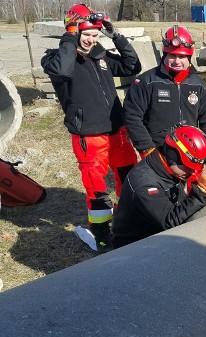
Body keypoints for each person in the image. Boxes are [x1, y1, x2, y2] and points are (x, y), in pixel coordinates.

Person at [41, 3, 141, 252]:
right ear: (73, 30)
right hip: (89, 135)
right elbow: (63, 71)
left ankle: (129, 219)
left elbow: (132, 66)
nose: (91, 39)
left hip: (117, 131)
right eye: (86, 34)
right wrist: (70, 37)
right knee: (97, 188)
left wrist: (115, 36)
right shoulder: (56, 59)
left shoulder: (100, 55)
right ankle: (102, 232)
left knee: (128, 178)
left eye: (94, 35)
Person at [112, 126, 206, 249]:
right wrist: (201, 193)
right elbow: (169, 221)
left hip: (157, 235)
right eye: (189, 167)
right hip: (133, 248)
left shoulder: (170, 169)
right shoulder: (144, 185)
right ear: (173, 156)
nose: (192, 172)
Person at [124, 25, 206, 160]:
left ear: (189, 58)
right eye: (172, 56)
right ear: (165, 55)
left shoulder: (198, 85)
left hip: (191, 152)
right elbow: (132, 116)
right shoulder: (147, 82)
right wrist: (147, 148)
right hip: (157, 152)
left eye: (182, 56)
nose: (177, 61)